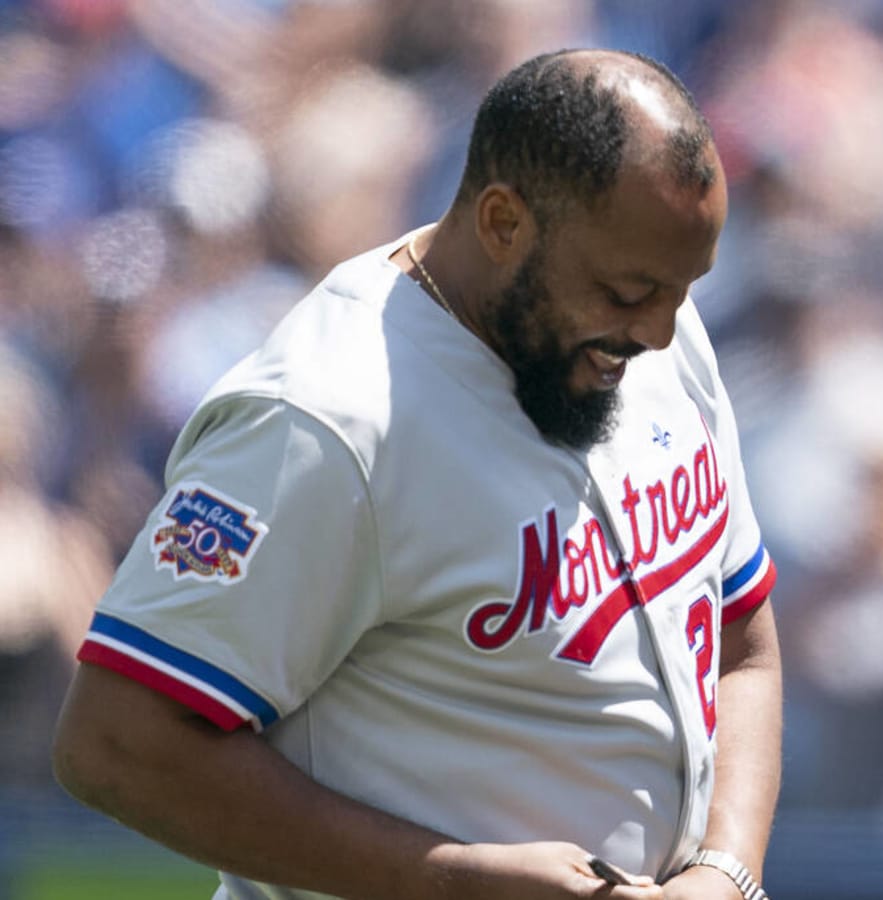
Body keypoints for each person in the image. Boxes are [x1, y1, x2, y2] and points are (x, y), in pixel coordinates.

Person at [51, 49, 781, 900]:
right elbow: (116, 744)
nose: (660, 330)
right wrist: (449, 879)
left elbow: (744, 640)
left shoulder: (644, 329)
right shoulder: (323, 420)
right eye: (628, 292)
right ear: (504, 223)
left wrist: (726, 871)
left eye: (681, 289)